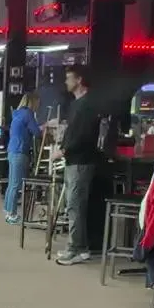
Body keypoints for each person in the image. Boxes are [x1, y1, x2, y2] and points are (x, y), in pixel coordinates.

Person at [51, 65, 98, 266]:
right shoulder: (77, 104)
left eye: (69, 78)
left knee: (75, 206)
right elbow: (73, 133)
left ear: (79, 80)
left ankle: (75, 249)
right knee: (75, 205)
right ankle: (82, 248)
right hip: (75, 161)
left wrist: (63, 150)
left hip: (80, 162)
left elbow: (83, 135)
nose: (66, 81)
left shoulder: (86, 105)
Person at [3, 92, 42, 224]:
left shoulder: (18, 114)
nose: (39, 105)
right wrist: (45, 127)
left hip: (12, 150)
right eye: (38, 102)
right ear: (32, 102)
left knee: (11, 184)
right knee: (16, 184)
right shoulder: (28, 114)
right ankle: (12, 215)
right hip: (20, 151)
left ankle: (8, 211)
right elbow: (37, 132)